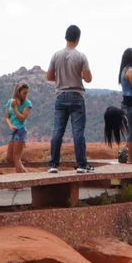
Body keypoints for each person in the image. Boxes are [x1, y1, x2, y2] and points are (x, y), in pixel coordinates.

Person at [44, 25, 94, 172]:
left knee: (57, 131)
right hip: (77, 95)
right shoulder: (81, 56)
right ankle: (81, 165)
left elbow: (49, 76)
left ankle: (53, 164)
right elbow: (88, 78)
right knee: (78, 131)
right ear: (78, 38)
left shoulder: (56, 55)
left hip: (60, 95)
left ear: (66, 37)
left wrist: (61, 78)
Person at [4, 82, 32, 169]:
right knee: (9, 158)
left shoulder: (27, 104)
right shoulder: (10, 101)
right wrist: (10, 125)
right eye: (24, 93)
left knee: (16, 157)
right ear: (18, 92)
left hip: (20, 130)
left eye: (27, 93)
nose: (26, 95)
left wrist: (15, 109)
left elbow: (22, 118)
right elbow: (7, 117)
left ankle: (21, 178)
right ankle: (24, 174)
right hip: (13, 130)